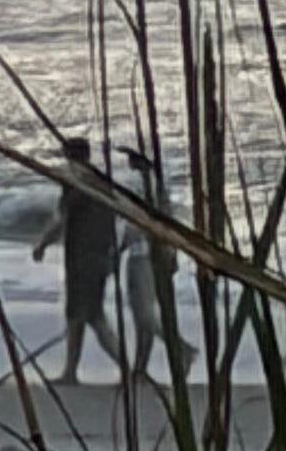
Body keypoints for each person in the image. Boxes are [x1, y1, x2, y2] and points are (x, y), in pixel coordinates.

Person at [33, 133, 125, 384]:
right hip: (100, 253)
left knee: (93, 316)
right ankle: (70, 370)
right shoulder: (102, 183)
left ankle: (126, 368)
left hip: (81, 256)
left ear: (68, 157)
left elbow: (61, 220)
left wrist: (42, 243)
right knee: (76, 314)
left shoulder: (77, 184)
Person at [120, 142, 183, 376]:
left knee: (144, 315)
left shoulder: (143, 187)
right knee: (141, 316)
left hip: (142, 256)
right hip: (152, 255)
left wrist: (119, 248)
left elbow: (137, 224)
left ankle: (181, 350)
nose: (128, 162)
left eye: (131, 157)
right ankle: (140, 368)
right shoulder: (158, 188)